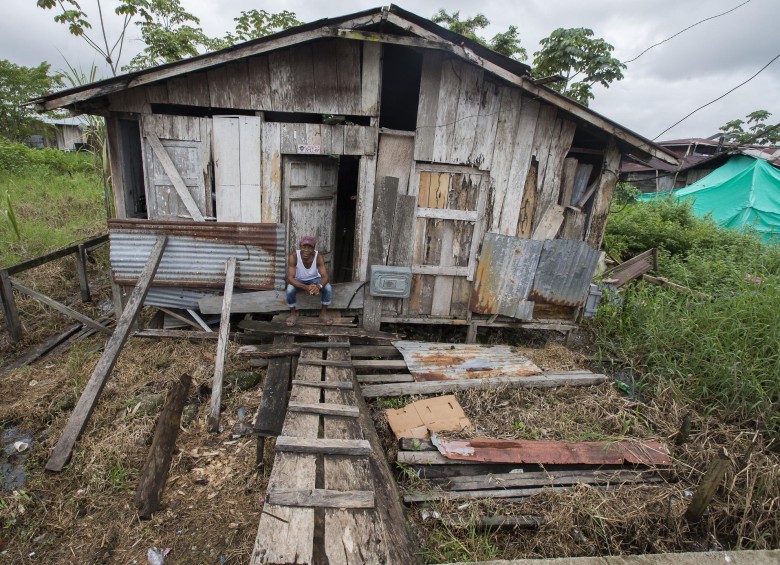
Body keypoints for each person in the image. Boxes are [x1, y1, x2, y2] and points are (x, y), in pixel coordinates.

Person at [286, 235, 333, 326]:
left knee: (328, 288)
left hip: (315, 280)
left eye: (310, 247)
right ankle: (293, 314)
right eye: (304, 247)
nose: (306, 250)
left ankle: (323, 313)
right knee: (289, 290)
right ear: (300, 247)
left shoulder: (318, 257)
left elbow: (325, 277)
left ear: (313, 248)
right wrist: (305, 287)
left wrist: (318, 286)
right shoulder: (294, 256)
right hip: (299, 280)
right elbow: (290, 278)